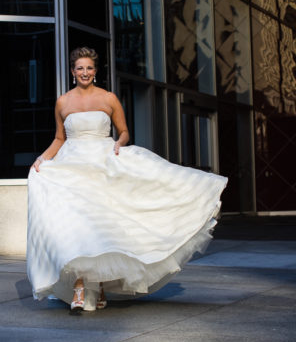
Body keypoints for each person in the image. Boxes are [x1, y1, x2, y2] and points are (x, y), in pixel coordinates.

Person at [27, 46, 227, 313]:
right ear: (72, 71)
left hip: (102, 163)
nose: (84, 72)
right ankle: (80, 285)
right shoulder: (63, 102)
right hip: (73, 166)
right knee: (75, 226)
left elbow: (123, 132)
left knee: (103, 227)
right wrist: (42, 159)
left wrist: (118, 145)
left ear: (95, 72)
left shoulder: (109, 98)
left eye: (89, 68)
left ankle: (96, 287)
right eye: (80, 68)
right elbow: (59, 139)